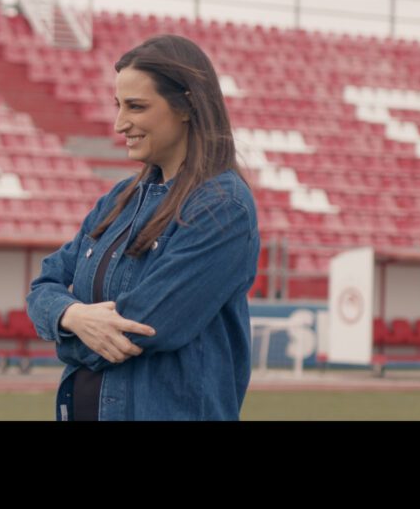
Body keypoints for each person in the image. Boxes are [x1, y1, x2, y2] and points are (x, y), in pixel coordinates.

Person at [26, 34, 259, 420]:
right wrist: (73, 317)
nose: (120, 123)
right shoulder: (118, 199)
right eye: (118, 106)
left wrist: (62, 331)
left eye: (136, 106)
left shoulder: (222, 207)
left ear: (186, 105)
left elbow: (141, 328)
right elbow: (44, 284)